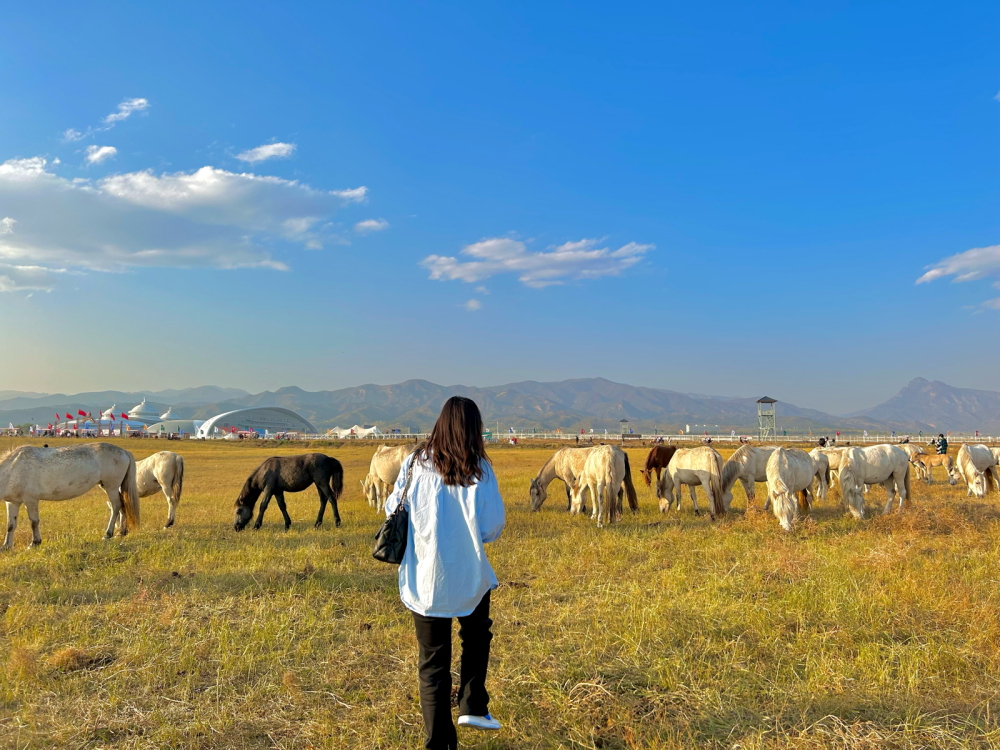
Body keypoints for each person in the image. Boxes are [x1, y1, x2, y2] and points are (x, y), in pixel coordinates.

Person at [384, 396, 506, 750]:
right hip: (469, 574)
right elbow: (492, 526)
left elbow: (394, 508)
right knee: (478, 634)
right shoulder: (480, 467)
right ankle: (472, 703)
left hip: (425, 579)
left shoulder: (414, 463)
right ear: (474, 429)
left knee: (432, 664)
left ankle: (439, 742)